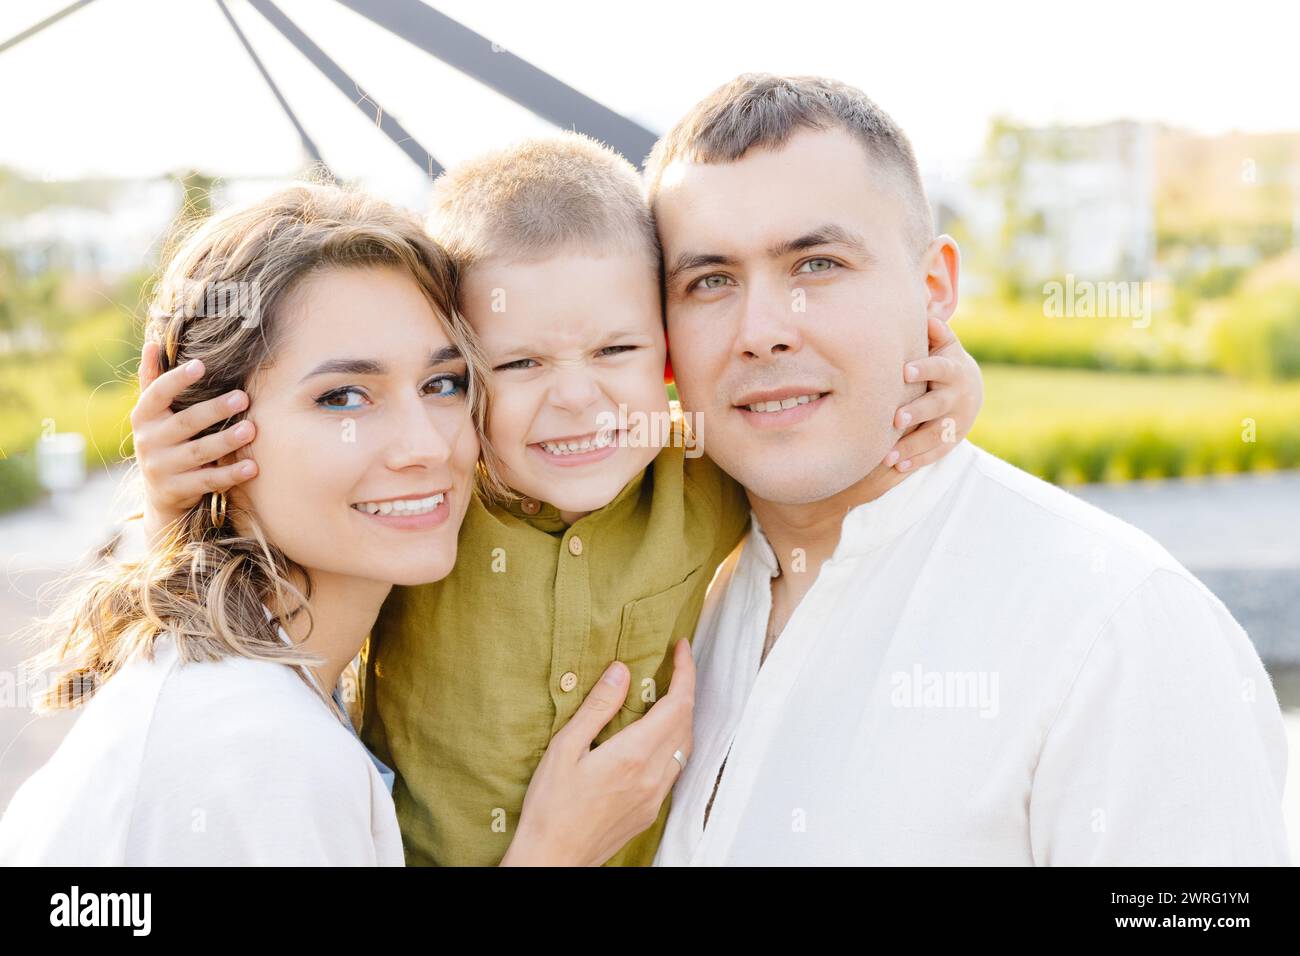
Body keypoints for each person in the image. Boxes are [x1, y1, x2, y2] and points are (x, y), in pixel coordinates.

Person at [128, 134, 987, 865]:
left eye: (616, 349)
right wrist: (175, 491)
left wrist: (941, 389)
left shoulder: (701, 474)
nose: (577, 401)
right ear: (462, 375)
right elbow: (247, 568)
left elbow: (810, 434)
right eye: (520, 364)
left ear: (667, 352)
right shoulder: (432, 504)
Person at [647, 73, 1291, 865]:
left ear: (934, 288)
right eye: (710, 281)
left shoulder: (1119, 630)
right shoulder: (660, 602)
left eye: (816, 264)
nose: (763, 331)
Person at [0, 182, 695, 866]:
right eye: (343, 398)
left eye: (443, 383)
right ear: (203, 428)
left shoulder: (237, 681)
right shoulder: (255, 753)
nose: (426, 445)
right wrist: (556, 853)